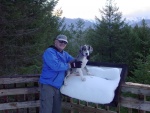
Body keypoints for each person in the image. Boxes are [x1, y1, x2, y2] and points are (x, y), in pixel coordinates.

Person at [39, 34, 82, 113]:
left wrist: (83, 57)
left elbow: (74, 60)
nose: (63, 43)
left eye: (65, 42)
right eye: (61, 41)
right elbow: (56, 66)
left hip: (58, 86)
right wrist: (70, 65)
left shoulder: (64, 54)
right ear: (55, 42)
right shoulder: (49, 52)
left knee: (57, 110)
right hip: (48, 85)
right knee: (46, 109)